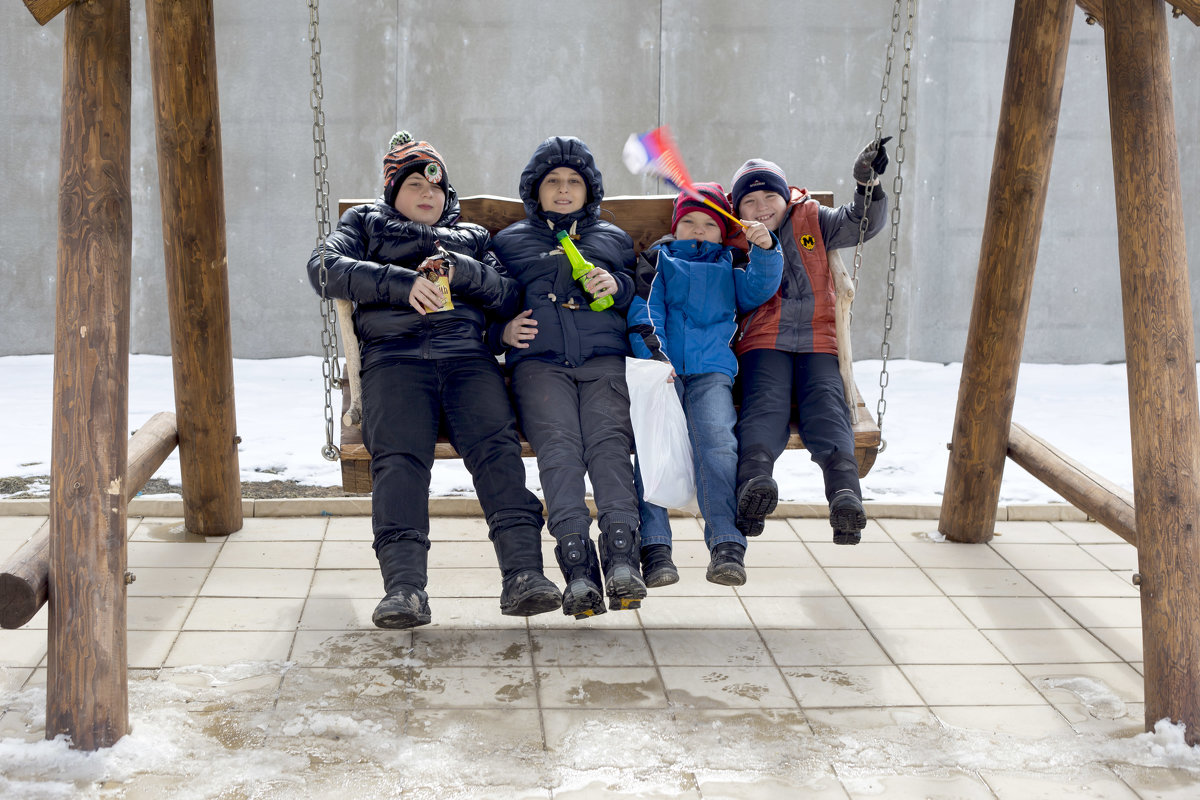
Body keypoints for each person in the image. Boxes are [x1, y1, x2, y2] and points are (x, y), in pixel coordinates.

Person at [305, 131, 562, 629]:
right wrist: (403, 284)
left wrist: (463, 272)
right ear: (392, 191)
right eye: (415, 184)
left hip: (468, 359)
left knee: (497, 451)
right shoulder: (364, 224)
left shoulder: (470, 237)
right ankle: (404, 589)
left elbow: (509, 295)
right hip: (394, 360)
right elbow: (324, 268)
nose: (428, 194)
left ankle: (524, 576)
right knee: (399, 460)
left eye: (437, 187)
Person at [491, 135, 644, 619]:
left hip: (604, 363)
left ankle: (622, 557)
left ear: (589, 190)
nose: (562, 190)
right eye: (552, 182)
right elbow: (487, 300)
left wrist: (617, 286)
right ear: (534, 190)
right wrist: (503, 330)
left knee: (608, 445)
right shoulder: (510, 242)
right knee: (558, 451)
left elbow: (641, 293)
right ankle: (577, 567)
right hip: (541, 366)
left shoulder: (613, 240)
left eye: (573, 182)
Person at [729, 138, 891, 545]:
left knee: (826, 404)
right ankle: (754, 486)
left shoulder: (813, 219)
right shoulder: (734, 237)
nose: (762, 207)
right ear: (737, 208)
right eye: (750, 201)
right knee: (765, 404)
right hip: (764, 339)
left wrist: (865, 184)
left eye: (771, 196)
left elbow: (861, 222)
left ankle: (844, 496)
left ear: (787, 197)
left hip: (819, 338)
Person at [627, 183, 782, 587]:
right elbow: (645, 309)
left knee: (717, 442)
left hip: (712, 369)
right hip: (664, 370)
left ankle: (727, 544)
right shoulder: (658, 260)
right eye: (689, 223)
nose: (698, 231)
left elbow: (759, 288)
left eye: (709, 225)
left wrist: (766, 251)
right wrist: (655, 358)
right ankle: (656, 547)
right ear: (675, 228)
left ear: (722, 232)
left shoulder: (731, 265)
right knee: (654, 445)